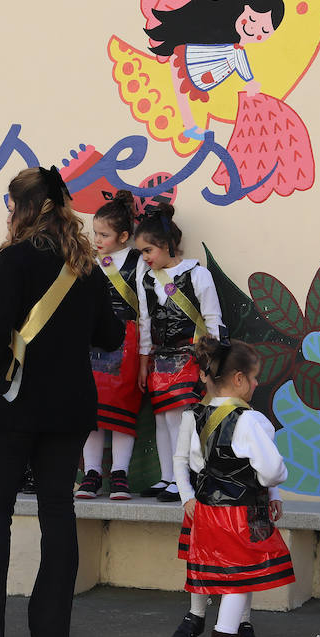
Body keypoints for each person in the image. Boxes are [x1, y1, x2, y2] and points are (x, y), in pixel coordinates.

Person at [0, 166, 125, 637]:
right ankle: (52, 632)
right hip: (69, 407)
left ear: (28, 208)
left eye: (10, 204)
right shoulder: (84, 265)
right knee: (58, 512)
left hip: (12, 403)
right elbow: (111, 336)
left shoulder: (16, 259)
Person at [170, 337, 290, 637]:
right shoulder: (250, 420)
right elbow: (270, 470)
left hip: (210, 511)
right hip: (242, 513)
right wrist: (276, 482)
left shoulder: (201, 415)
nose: (255, 384)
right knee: (239, 579)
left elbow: (195, 463)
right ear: (238, 379)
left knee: (226, 576)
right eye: (253, 378)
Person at [135, 204, 221, 501]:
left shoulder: (197, 275)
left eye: (148, 251)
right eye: (141, 253)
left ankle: (184, 479)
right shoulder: (146, 279)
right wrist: (144, 361)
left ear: (167, 245)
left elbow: (212, 319)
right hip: (161, 359)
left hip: (191, 356)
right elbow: (144, 322)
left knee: (180, 417)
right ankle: (167, 476)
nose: (144, 258)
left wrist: (212, 361)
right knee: (162, 418)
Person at [143, 0, 285, 139]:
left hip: (201, 71)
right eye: (252, 20)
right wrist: (250, 81)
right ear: (241, 9)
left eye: (265, 30)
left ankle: (189, 125)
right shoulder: (227, 42)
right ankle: (189, 125)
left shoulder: (234, 46)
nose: (254, 29)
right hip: (190, 61)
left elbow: (240, 62)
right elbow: (240, 63)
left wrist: (250, 81)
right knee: (181, 93)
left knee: (185, 95)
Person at [76, 189, 146, 502]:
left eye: (104, 234)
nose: (97, 239)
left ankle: (119, 473)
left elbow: (144, 307)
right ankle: (91, 473)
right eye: (95, 233)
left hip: (126, 342)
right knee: (90, 410)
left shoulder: (137, 262)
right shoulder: (88, 262)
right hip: (89, 342)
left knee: (121, 411)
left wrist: (148, 351)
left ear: (124, 236)